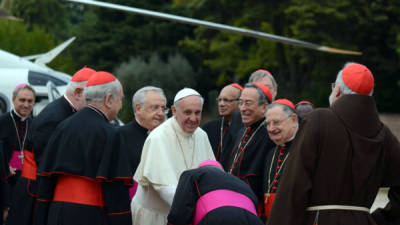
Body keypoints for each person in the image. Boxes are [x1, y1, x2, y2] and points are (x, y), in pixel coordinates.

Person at [267, 63, 400, 225]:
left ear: (337, 90)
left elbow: (294, 185)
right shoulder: (385, 135)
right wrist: (379, 219)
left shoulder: (319, 120)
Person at [35, 71, 133, 225]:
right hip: (89, 215)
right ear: (108, 100)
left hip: (57, 213)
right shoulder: (110, 134)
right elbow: (115, 191)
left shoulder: (63, 126)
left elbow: (46, 178)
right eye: (120, 100)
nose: (121, 106)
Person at [6, 67, 96, 225]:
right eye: (91, 98)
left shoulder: (66, 111)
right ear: (77, 92)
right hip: (35, 192)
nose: (93, 104)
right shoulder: (54, 117)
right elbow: (47, 164)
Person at [131, 87, 215, 225]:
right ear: (174, 111)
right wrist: (196, 208)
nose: (193, 118)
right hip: (156, 216)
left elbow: (211, 175)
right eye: (187, 112)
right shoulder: (158, 137)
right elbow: (164, 188)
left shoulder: (202, 135)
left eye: (197, 113)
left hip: (186, 213)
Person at [226, 83, 275, 219]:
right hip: (233, 203)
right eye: (241, 103)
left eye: (248, 103)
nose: (242, 108)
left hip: (253, 207)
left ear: (264, 107)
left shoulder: (270, 135)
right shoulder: (241, 132)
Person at [167, 160, 264, 225]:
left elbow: (180, 209)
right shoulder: (241, 183)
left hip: (217, 217)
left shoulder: (193, 174)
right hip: (252, 220)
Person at [117, 86, 167, 198]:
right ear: (138, 108)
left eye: (163, 108)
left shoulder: (168, 137)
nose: (161, 113)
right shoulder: (119, 136)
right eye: (155, 108)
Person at [0, 83, 35, 221]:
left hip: (24, 186)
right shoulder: (2, 122)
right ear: (13, 100)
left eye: (30, 101)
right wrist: (3, 165)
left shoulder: (34, 125)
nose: (26, 105)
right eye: (22, 100)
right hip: (4, 184)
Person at [262, 99, 298, 220]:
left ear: (293, 119)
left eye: (276, 122)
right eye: (267, 124)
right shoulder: (271, 153)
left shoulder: (305, 150)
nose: (271, 129)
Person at [202, 83, 242, 162]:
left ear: (240, 102)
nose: (221, 104)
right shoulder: (208, 128)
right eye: (219, 100)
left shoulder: (245, 129)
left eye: (226, 100)